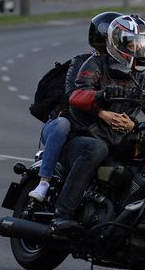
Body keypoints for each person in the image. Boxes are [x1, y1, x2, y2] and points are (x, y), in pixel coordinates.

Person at [51, 14, 145, 231]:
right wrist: (102, 96)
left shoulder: (144, 81)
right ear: (116, 43)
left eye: (142, 45)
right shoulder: (95, 65)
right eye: (132, 44)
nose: (138, 50)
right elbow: (77, 94)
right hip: (84, 136)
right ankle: (63, 213)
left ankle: (141, 217)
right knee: (95, 149)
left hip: (119, 140)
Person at [27, 11, 123, 202]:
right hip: (65, 126)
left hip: (93, 131)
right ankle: (44, 183)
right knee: (62, 124)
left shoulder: (120, 68)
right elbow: (73, 95)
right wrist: (101, 112)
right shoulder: (82, 62)